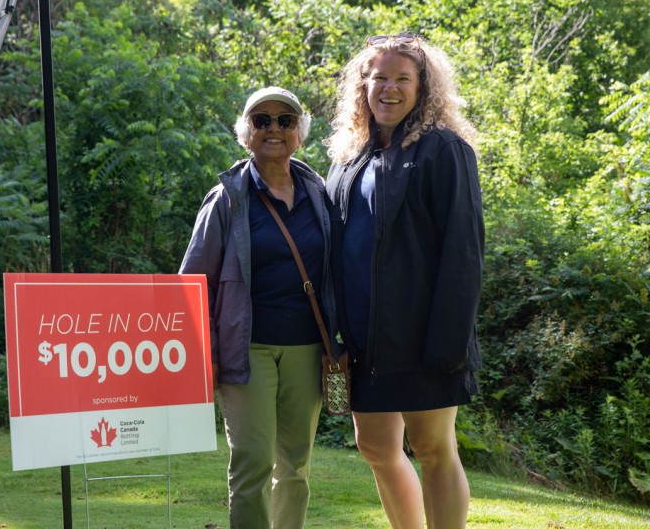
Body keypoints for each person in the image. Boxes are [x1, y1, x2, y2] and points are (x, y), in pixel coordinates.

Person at [324, 33, 484, 529]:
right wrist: (335, 335)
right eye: (379, 79)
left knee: (434, 449)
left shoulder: (445, 150)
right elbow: (332, 251)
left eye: (402, 79)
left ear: (424, 87)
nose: (388, 89)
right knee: (374, 446)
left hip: (426, 338)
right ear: (362, 88)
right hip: (364, 341)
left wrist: (448, 342)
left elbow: (463, 252)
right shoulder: (349, 158)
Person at [179, 86, 337, 529]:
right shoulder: (226, 199)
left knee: (297, 467)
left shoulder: (319, 196)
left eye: (285, 120)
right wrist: (203, 355)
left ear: (300, 133)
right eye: (261, 120)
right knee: (251, 463)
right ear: (245, 133)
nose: (273, 128)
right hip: (245, 351)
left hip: (307, 350)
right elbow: (193, 284)